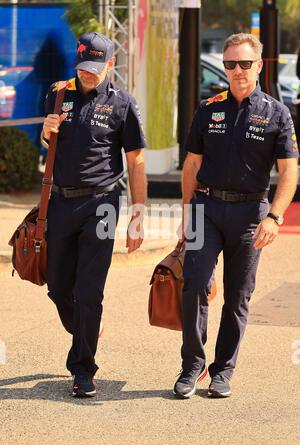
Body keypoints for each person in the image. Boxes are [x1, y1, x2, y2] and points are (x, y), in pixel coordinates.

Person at [173, 33, 299, 399]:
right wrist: (186, 212)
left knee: (238, 295)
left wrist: (275, 217)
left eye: (245, 63)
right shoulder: (208, 108)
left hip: (250, 213)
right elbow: (192, 164)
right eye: (230, 64)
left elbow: (290, 170)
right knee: (194, 282)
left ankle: (223, 369)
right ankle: (191, 365)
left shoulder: (277, 113)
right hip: (205, 208)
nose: (237, 70)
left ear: (259, 66)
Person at [41, 32, 147, 398]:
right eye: (83, 66)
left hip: (102, 203)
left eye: (96, 68)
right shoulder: (58, 94)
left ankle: (83, 369)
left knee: (89, 290)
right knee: (57, 286)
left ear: (111, 64)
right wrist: (45, 132)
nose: (88, 74)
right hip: (60, 201)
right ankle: (87, 327)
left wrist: (138, 215)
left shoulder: (123, 103)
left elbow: (136, 161)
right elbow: (49, 144)